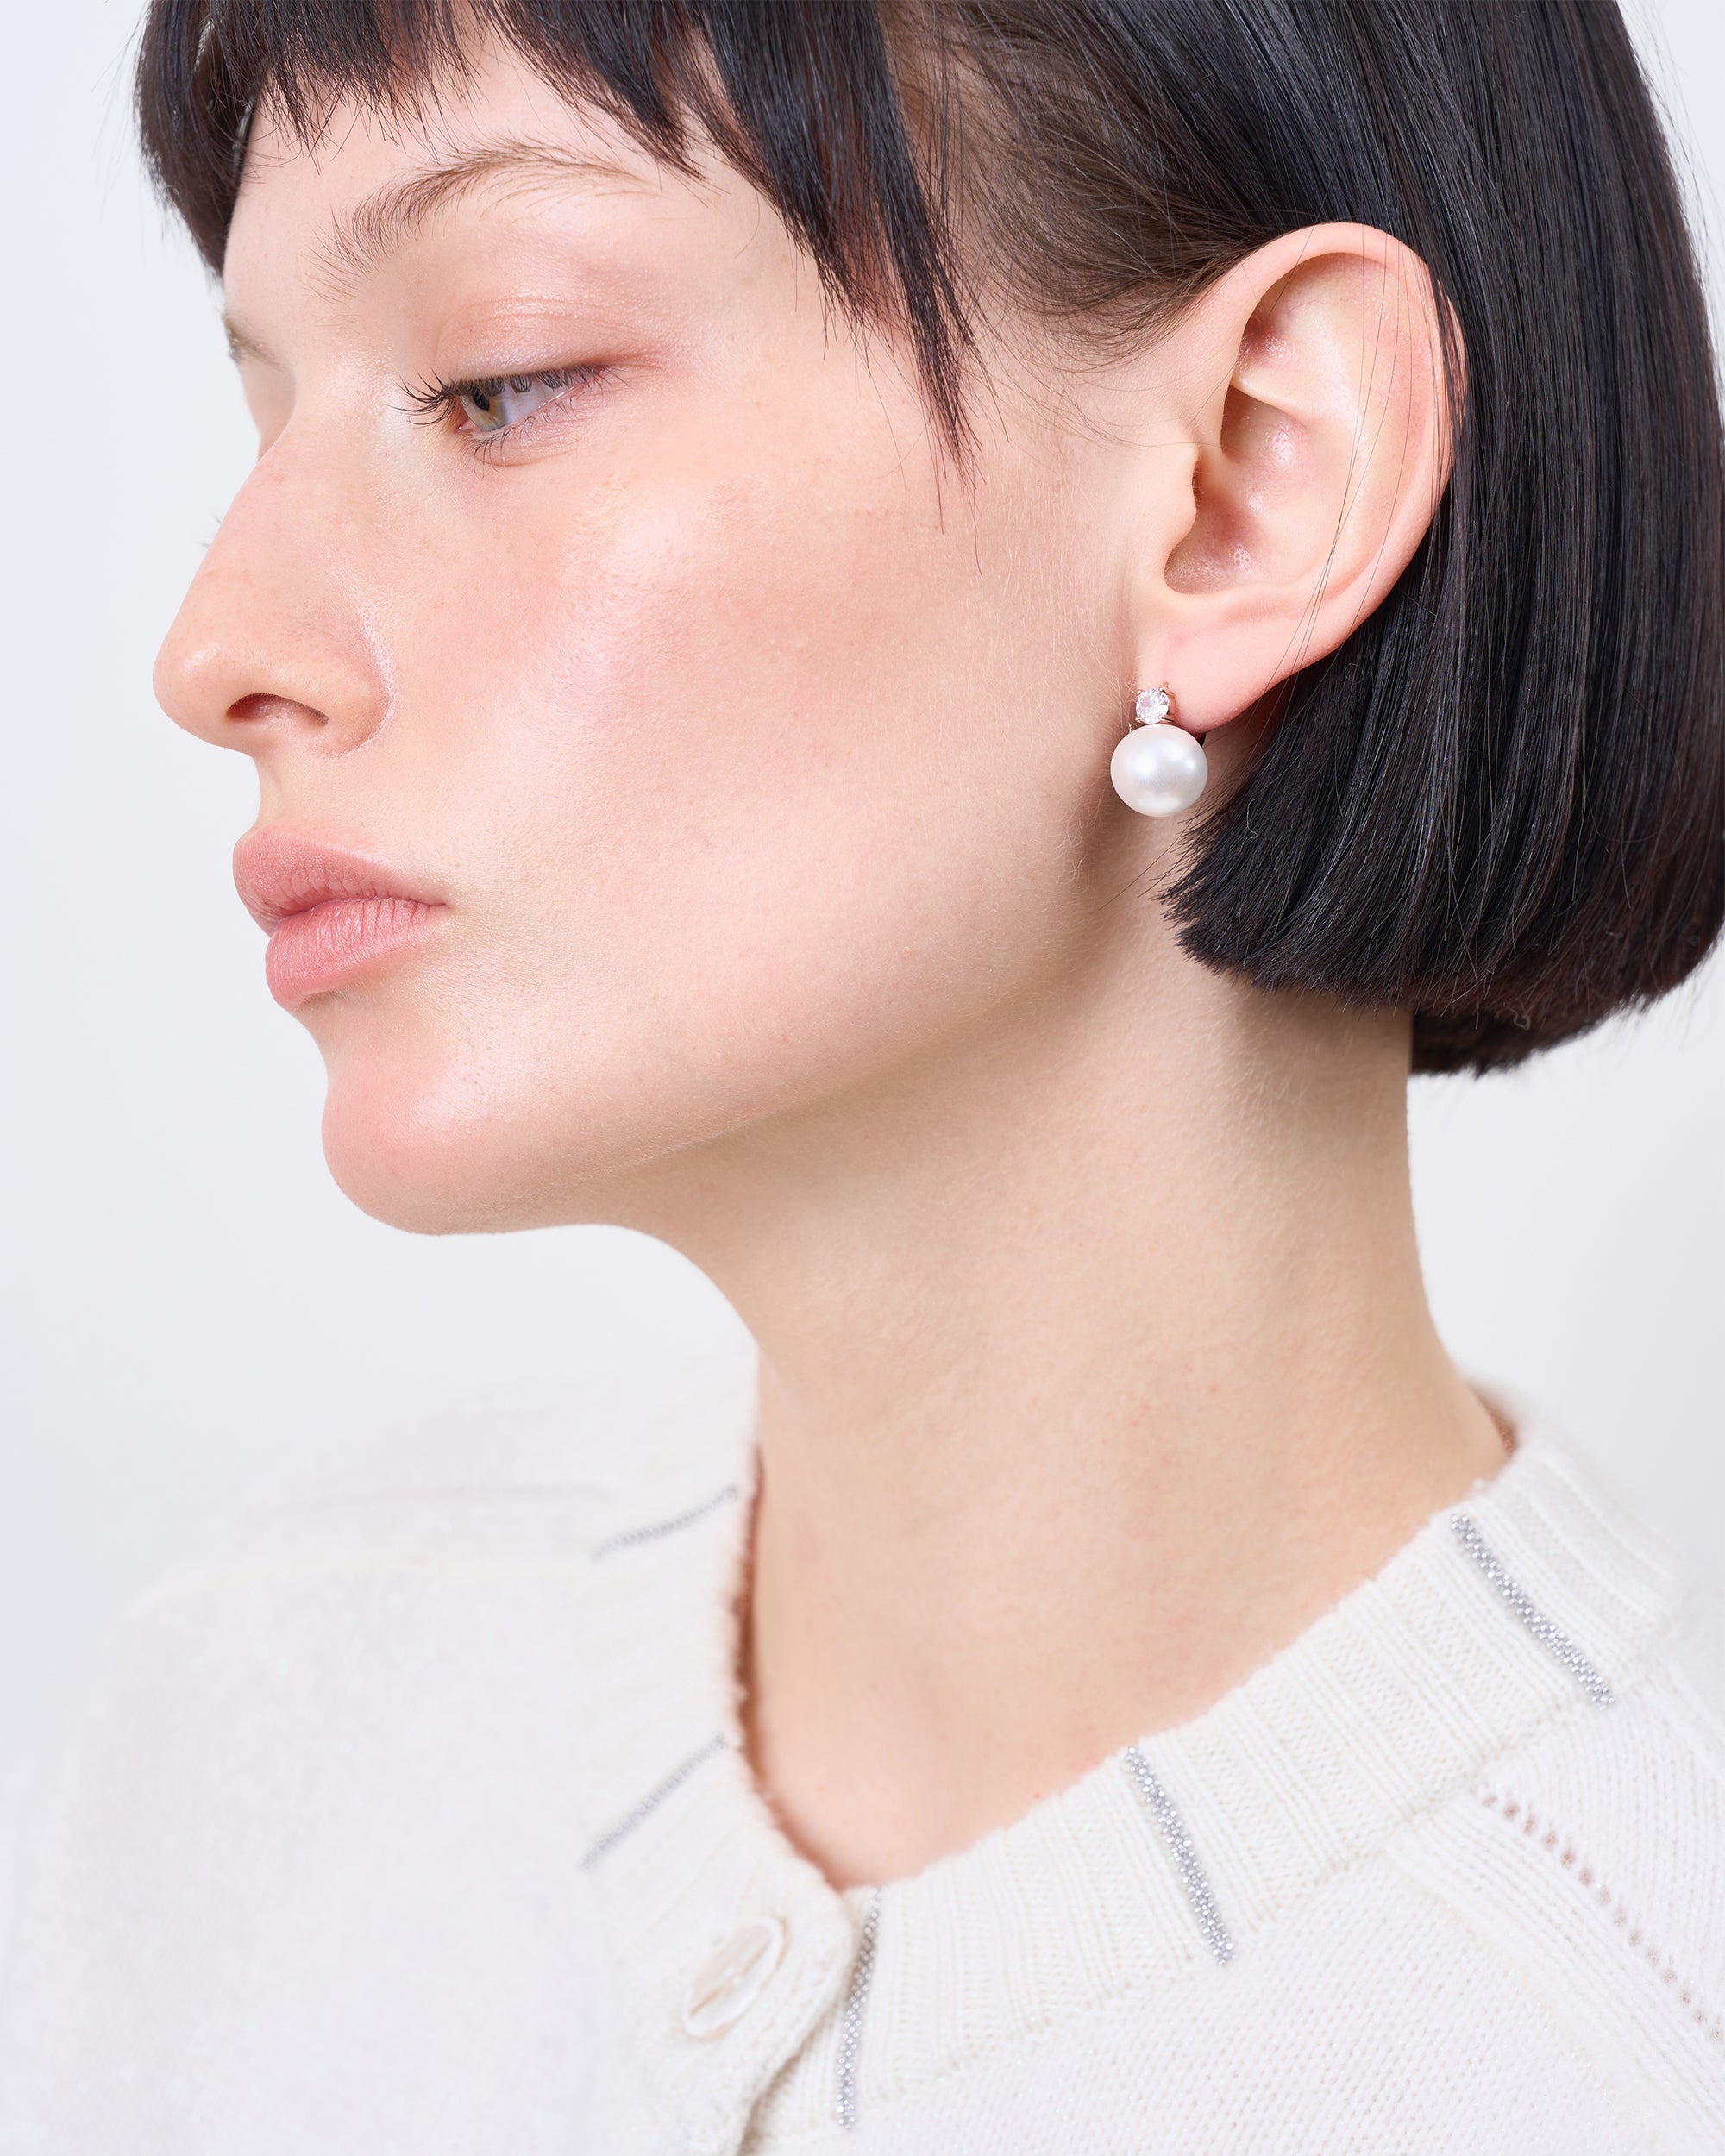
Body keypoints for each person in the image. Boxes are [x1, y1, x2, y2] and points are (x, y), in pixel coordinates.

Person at [2, 0, 1722, 2148]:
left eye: (499, 380)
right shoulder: (257, 1720)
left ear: (1248, 481)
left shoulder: (1624, 2049)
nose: (213, 647)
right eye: (268, 411)